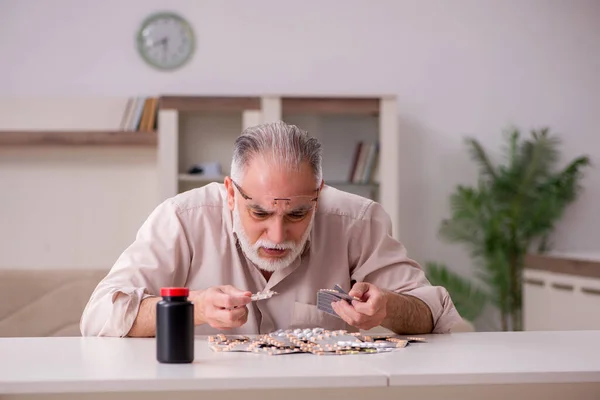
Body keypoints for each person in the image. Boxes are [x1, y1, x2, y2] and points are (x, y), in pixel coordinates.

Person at [80, 121, 462, 337]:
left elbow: (434, 313)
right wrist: (190, 308)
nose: (277, 237)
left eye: (297, 214)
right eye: (260, 214)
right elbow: (98, 318)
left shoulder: (356, 220)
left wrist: (388, 308)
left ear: (320, 193)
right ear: (231, 193)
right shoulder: (182, 219)